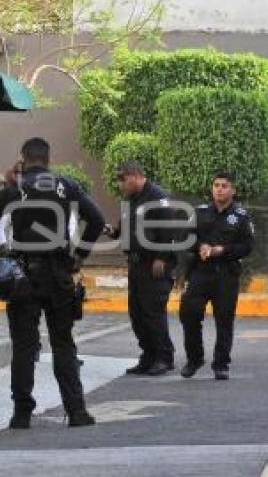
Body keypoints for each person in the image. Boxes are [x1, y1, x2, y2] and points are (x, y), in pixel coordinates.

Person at [0, 138, 104, 429]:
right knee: (63, 343)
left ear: (23, 158)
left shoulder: (17, 187)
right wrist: (80, 256)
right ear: (48, 159)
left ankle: (21, 413)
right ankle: (76, 411)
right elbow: (97, 220)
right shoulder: (66, 185)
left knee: (23, 346)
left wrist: (6, 183)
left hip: (23, 275)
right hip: (58, 273)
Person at [105, 161, 178, 376]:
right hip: (136, 265)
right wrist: (113, 231)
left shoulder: (158, 197)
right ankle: (148, 356)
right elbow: (124, 228)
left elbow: (170, 229)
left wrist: (162, 257)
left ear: (136, 175)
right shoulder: (130, 200)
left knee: (152, 313)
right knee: (137, 314)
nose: (120, 185)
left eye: (123, 179)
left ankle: (164, 358)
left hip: (154, 265)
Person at [179, 171, 254, 380]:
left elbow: (247, 246)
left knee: (224, 320)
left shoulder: (241, 216)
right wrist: (200, 245)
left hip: (225, 275)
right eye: (216, 185)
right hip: (200, 273)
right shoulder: (200, 212)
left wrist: (224, 250)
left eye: (224, 185)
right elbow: (186, 238)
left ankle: (221, 364)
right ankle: (194, 358)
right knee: (188, 314)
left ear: (233, 190)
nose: (219, 189)